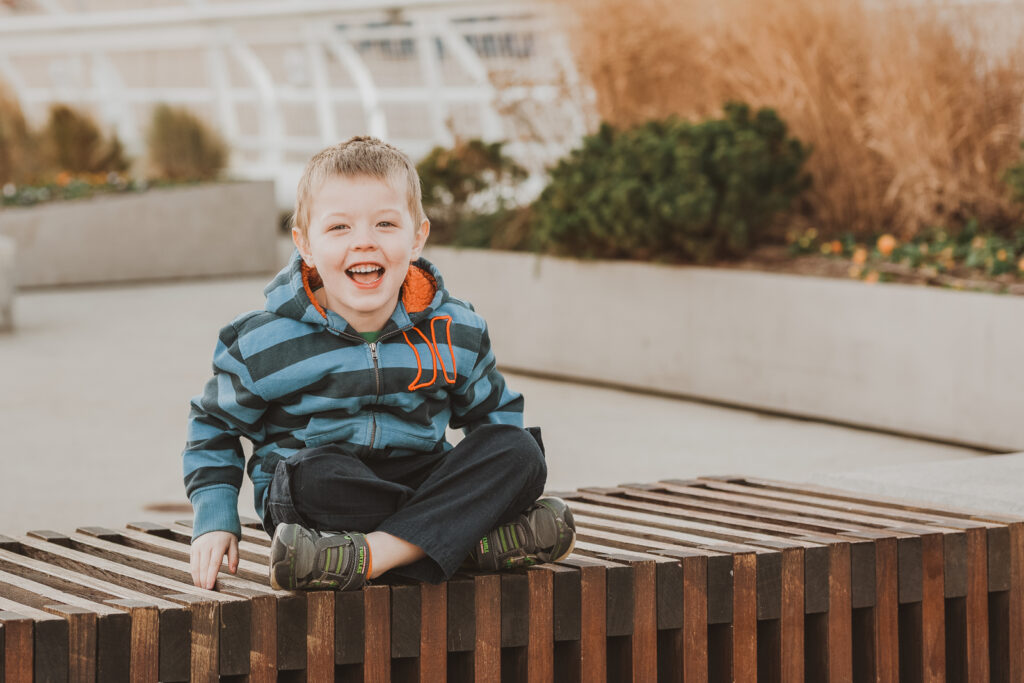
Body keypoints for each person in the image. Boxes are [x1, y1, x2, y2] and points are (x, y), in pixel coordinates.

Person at [184, 136, 575, 591]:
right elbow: (213, 424)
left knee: (519, 451)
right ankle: (464, 541)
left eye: (385, 224)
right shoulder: (261, 340)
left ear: (417, 237)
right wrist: (215, 517)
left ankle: (372, 556)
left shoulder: (456, 329)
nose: (364, 242)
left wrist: (503, 481)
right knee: (312, 476)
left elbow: (493, 420)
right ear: (304, 244)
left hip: (418, 477)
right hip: (325, 497)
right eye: (339, 228)